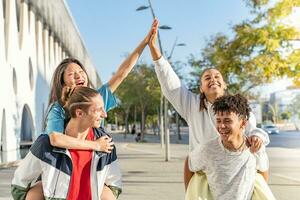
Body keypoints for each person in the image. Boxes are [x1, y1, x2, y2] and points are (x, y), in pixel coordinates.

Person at [23, 20, 159, 199]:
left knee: (107, 194)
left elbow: (122, 73)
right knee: (34, 194)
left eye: (81, 71)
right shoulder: (57, 109)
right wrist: (96, 145)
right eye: (72, 74)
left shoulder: (96, 98)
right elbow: (55, 138)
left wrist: (145, 42)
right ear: (63, 83)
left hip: (91, 167)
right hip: (61, 170)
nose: (79, 76)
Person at [148, 19, 270, 190]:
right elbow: (171, 85)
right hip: (206, 178)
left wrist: (259, 138)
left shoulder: (237, 107)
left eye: (217, 76)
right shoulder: (191, 104)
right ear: (201, 88)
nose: (213, 79)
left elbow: (252, 130)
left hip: (237, 176)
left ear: (225, 84)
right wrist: (154, 51)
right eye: (207, 77)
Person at [12, 86, 122, 200]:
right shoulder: (44, 144)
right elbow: (19, 185)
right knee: (34, 193)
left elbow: (114, 184)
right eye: (99, 109)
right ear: (79, 113)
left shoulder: (105, 142)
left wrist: (106, 195)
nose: (105, 114)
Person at [186, 94, 275, 200]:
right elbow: (189, 163)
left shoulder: (255, 148)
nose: (221, 126)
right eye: (218, 121)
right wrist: (189, 193)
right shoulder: (207, 150)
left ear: (243, 123)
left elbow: (263, 172)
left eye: (227, 121)